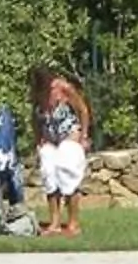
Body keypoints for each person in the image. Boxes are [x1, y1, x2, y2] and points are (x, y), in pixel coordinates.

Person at [30, 66, 92, 236]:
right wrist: (38, 140)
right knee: (49, 174)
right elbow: (35, 117)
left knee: (68, 172)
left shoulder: (64, 88)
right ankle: (55, 222)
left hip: (69, 135)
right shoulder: (37, 94)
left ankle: (73, 223)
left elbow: (82, 110)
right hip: (50, 139)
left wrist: (84, 135)